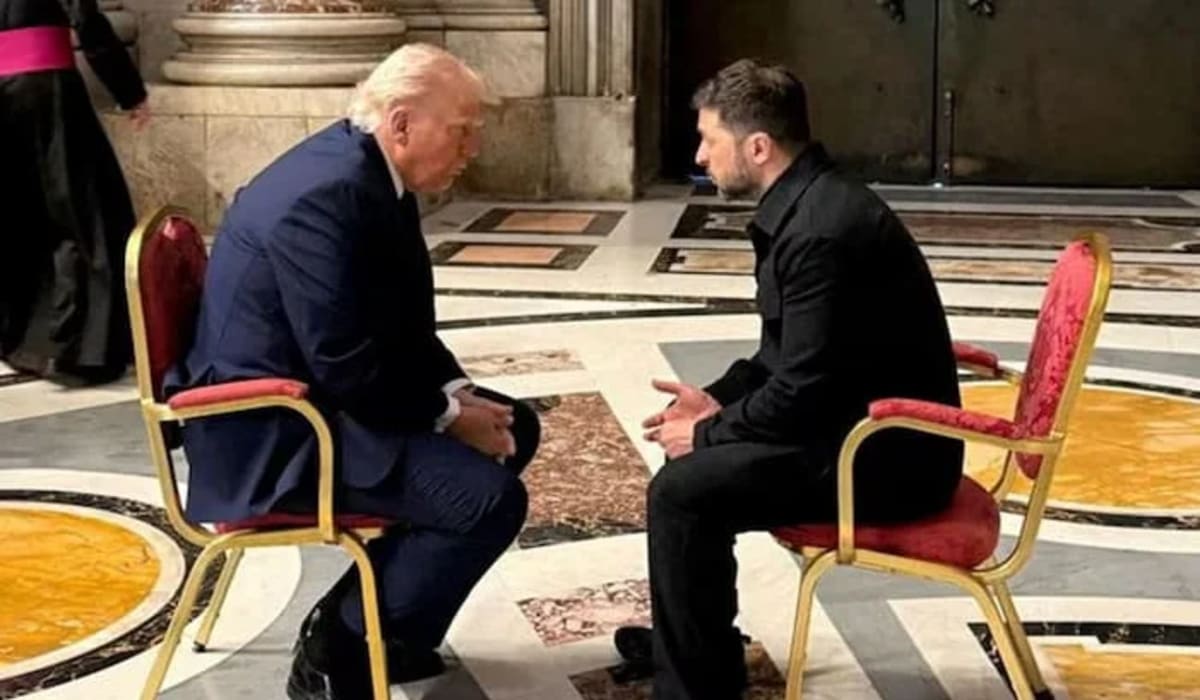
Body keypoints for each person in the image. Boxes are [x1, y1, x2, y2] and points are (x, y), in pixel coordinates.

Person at [164, 44, 540, 699]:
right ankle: (338, 643)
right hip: (272, 432)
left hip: (320, 399)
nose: (472, 146)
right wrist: (448, 417)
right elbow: (344, 361)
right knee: (488, 501)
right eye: (462, 129)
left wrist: (456, 394)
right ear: (400, 123)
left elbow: (397, 325)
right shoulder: (329, 193)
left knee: (518, 427)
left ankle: (389, 626)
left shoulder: (367, 171)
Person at [614, 59, 964, 699]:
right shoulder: (809, 205)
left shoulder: (820, 233)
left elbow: (801, 390)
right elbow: (784, 357)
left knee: (683, 491)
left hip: (887, 458)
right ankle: (694, 649)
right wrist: (715, 399)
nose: (699, 155)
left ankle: (695, 682)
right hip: (855, 426)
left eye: (709, 141)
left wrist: (710, 433)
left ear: (757, 147)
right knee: (690, 483)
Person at [0, 0, 150, 385]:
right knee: (85, 216)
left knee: (18, 214)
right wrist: (129, 90)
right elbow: (86, 20)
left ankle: (18, 337)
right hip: (46, 89)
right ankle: (79, 348)